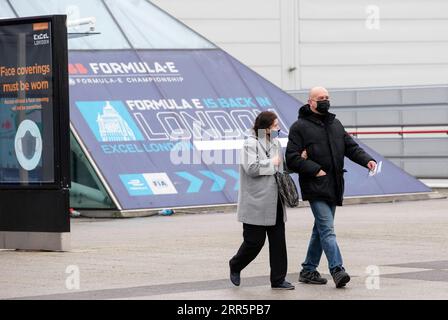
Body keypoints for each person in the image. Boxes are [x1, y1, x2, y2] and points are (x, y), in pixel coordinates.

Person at [285, 86, 377, 288]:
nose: (325, 100)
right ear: (310, 102)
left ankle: (308, 270)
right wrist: (315, 169)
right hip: (315, 184)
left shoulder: (335, 124)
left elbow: (351, 148)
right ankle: (337, 269)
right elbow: (291, 158)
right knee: (327, 229)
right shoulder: (299, 127)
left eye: (327, 97)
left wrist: (367, 160)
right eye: (321, 98)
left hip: (334, 185)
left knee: (320, 229)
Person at [229, 111, 295, 290]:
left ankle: (278, 279)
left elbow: (279, 166)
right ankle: (235, 265)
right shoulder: (249, 144)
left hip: (276, 201)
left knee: (278, 243)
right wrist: (272, 162)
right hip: (255, 202)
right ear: (265, 128)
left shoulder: (275, 142)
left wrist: (294, 162)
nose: (278, 128)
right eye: (274, 126)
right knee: (254, 242)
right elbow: (251, 168)